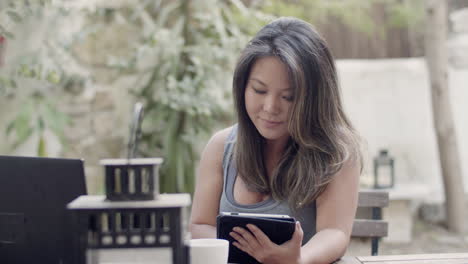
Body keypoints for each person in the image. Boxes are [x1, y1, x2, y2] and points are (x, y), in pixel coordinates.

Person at [190, 17, 362, 264]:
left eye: (289, 97)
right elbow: (200, 225)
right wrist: (249, 252)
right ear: (242, 87)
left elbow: (334, 233)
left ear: (314, 99)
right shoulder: (221, 147)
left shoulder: (336, 152)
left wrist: (298, 259)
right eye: (259, 90)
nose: (271, 108)